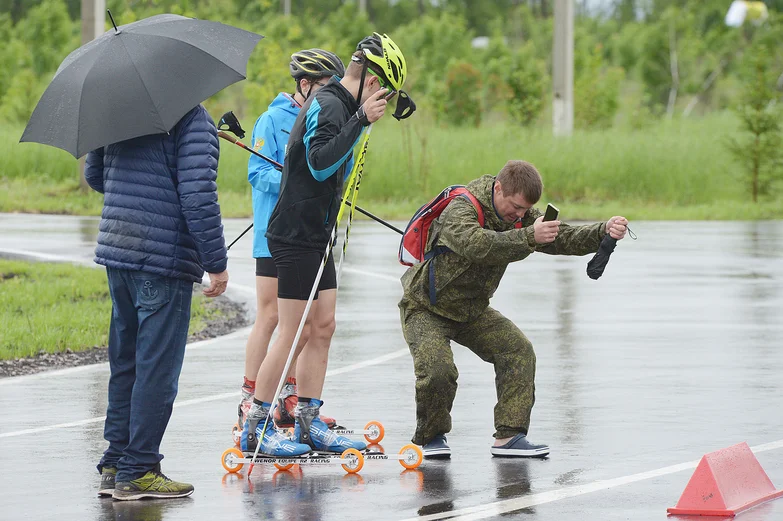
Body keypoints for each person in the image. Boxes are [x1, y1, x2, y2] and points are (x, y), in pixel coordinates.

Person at [240, 33, 407, 457]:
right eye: (385, 92)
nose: (385, 102)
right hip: (295, 234)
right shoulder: (333, 105)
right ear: (372, 82)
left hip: (317, 234)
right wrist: (362, 122)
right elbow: (318, 163)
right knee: (292, 330)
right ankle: (255, 425)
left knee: (323, 325)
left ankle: (309, 425)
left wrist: (359, 122)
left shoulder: (341, 104)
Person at [398, 160, 629, 459]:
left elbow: (560, 237)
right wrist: (529, 236)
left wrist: (602, 231)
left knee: (518, 351)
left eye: (524, 211)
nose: (519, 215)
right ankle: (431, 437)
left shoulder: (518, 215)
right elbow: (477, 246)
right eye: (516, 207)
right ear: (498, 188)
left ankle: (509, 437)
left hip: (472, 310)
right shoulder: (462, 207)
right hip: (426, 307)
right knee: (438, 370)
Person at [84, 104, 229, 499]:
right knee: (157, 370)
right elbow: (198, 195)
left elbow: (95, 175)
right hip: (162, 258)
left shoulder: (116, 111)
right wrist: (216, 263)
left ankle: (115, 465)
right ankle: (140, 469)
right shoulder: (191, 117)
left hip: (118, 250)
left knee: (126, 363)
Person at [235, 49, 345, 440]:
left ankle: (291, 396)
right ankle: (250, 398)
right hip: (274, 231)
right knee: (273, 317)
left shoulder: (326, 116)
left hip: (309, 230)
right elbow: (256, 171)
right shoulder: (272, 119)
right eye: (326, 86)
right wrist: (292, 177)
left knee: (307, 322)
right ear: (304, 85)